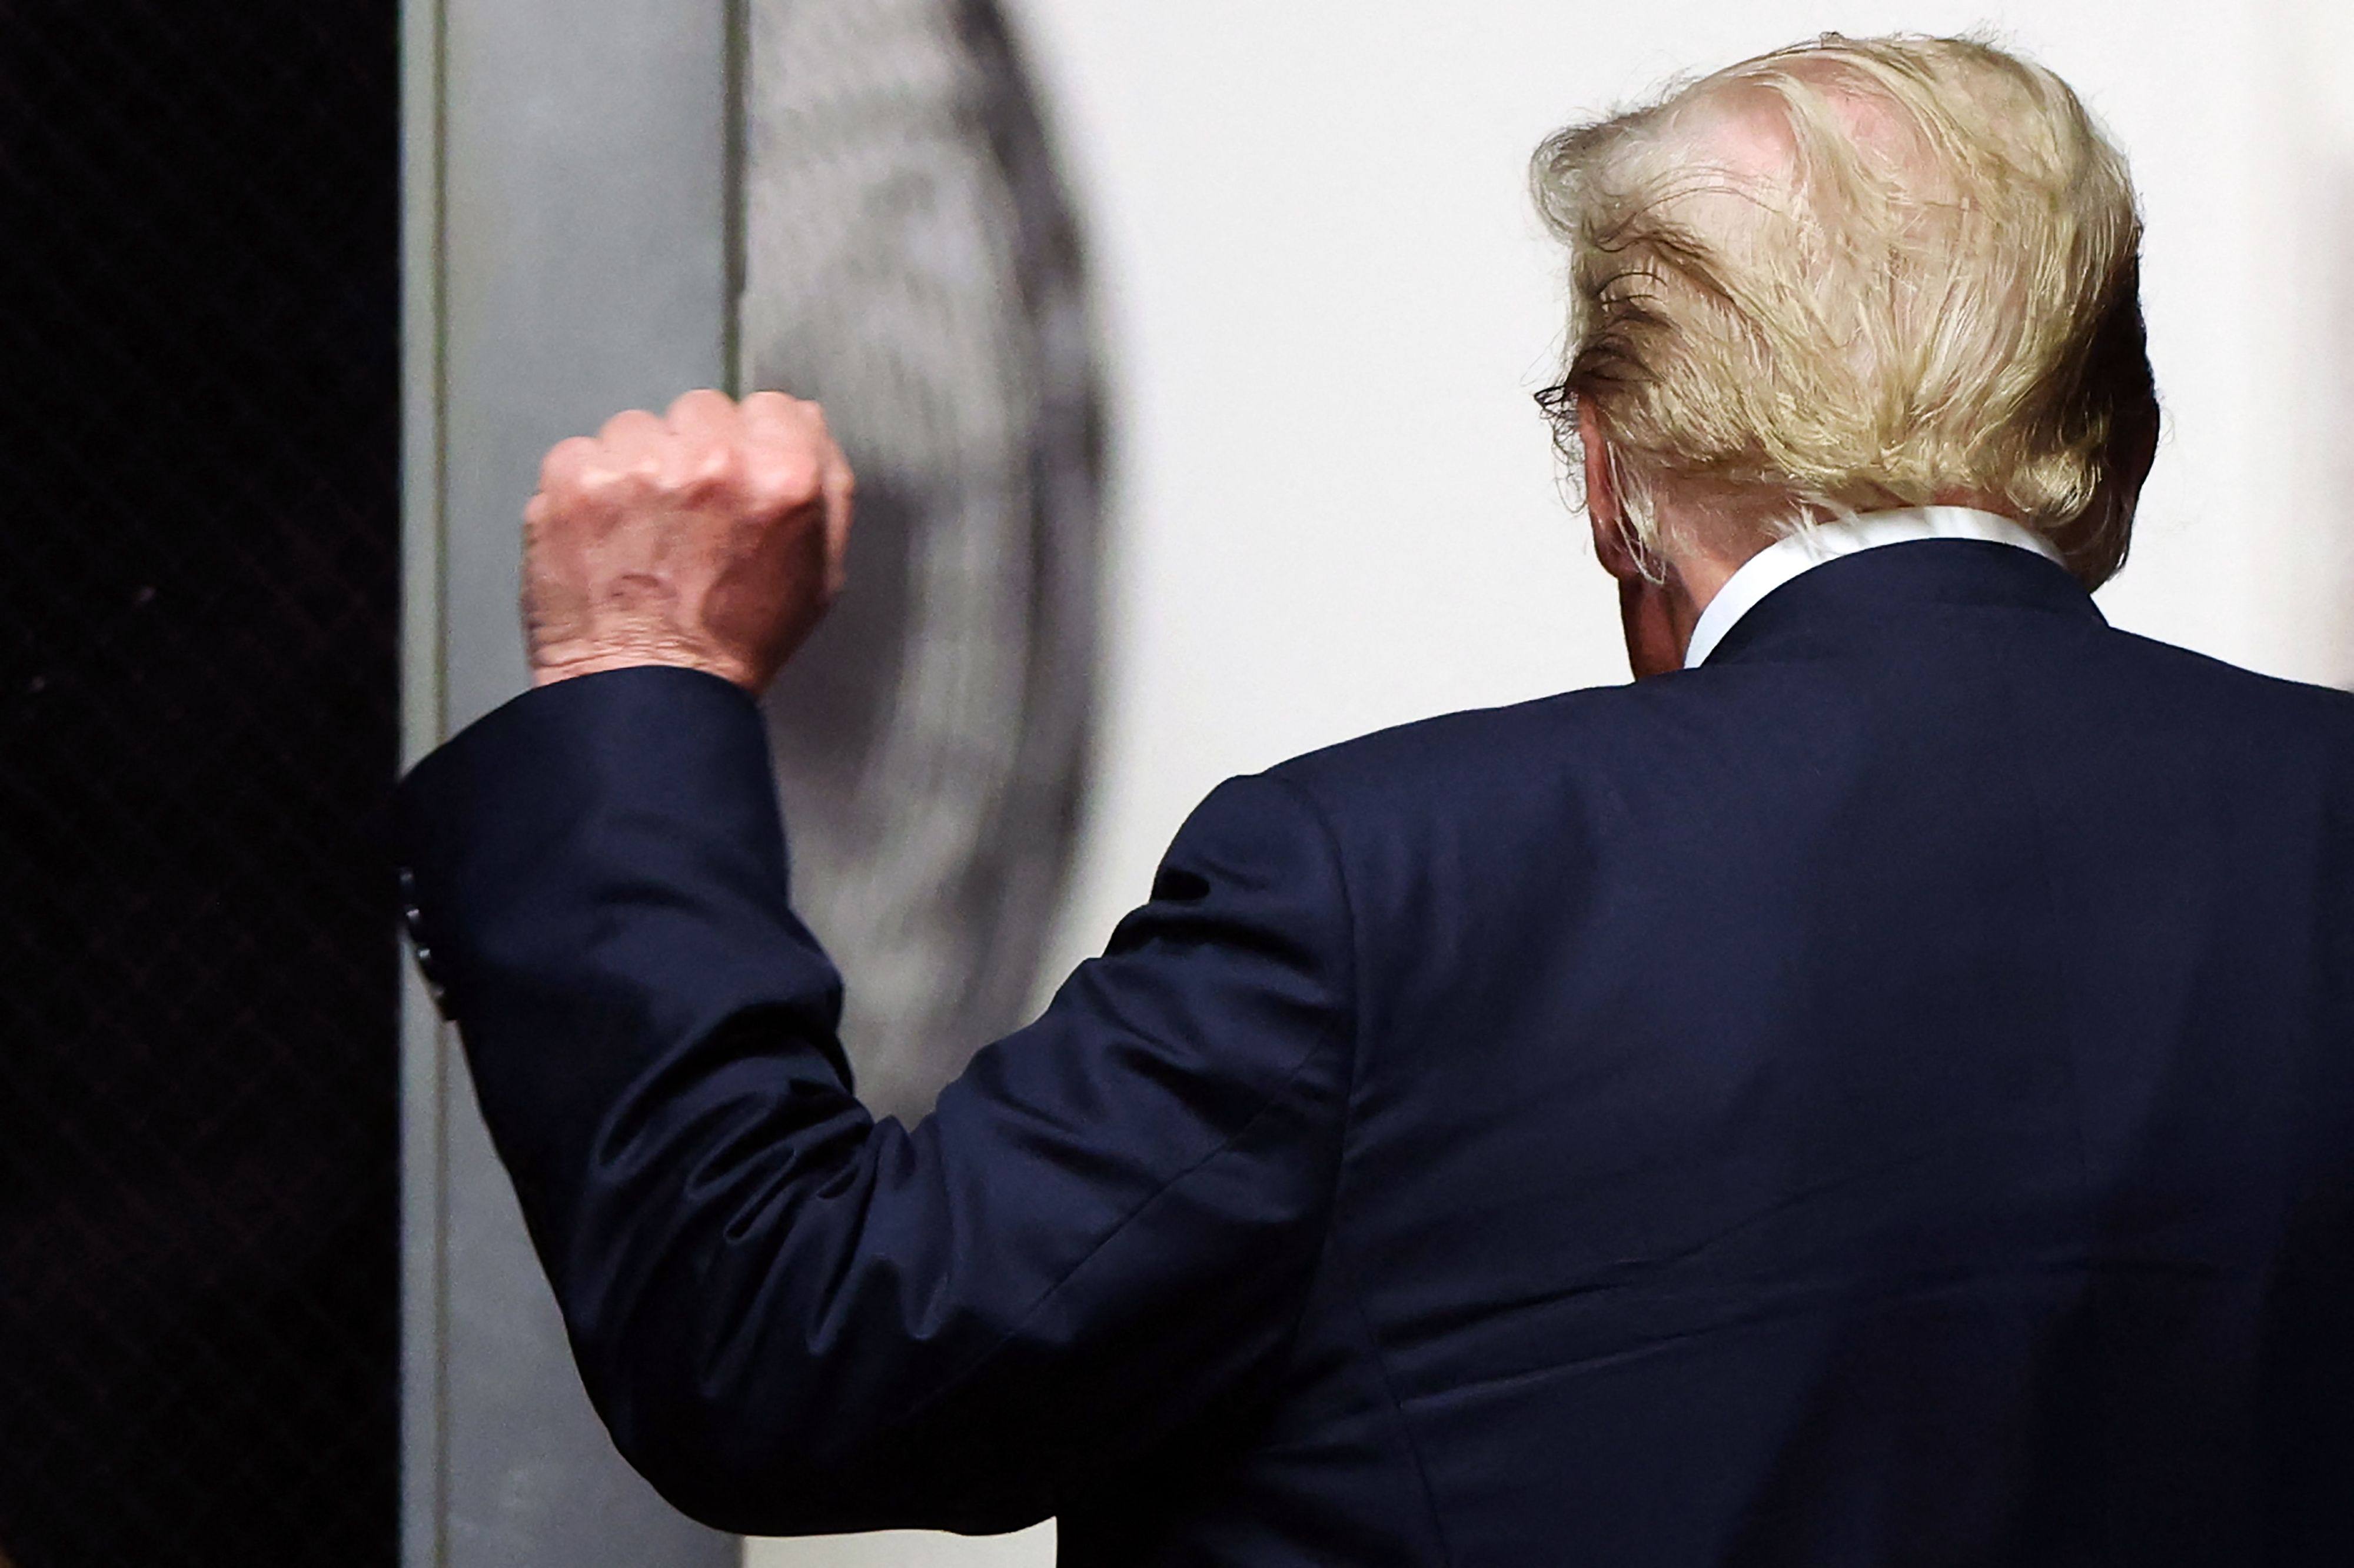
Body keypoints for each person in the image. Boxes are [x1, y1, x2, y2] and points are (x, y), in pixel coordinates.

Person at [395, 33, 2354, 1564]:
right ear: (2116, 444)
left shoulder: (1376, 888)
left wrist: (637, 676)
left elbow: (791, 1346)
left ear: (1609, 471)